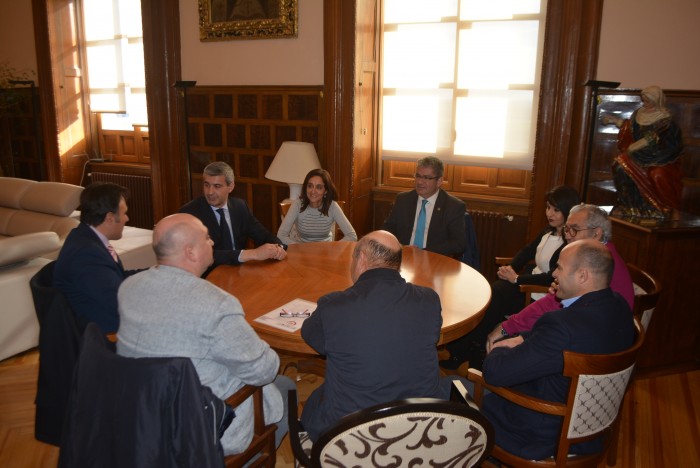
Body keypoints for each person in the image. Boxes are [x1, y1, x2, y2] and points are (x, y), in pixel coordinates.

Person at [116, 213, 296, 456]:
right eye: (207, 238)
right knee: (285, 388)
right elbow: (264, 370)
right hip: (201, 427)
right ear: (190, 252)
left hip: (143, 414)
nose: (212, 243)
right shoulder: (216, 304)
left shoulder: (129, 288)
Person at [478, 240, 635, 460]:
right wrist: (523, 338)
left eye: (560, 267)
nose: (553, 274)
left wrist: (499, 347)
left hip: (544, 432)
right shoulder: (620, 306)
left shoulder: (562, 326)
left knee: (453, 390)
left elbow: (494, 372)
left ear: (582, 276)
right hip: (592, 428)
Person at [299, 230, 464, 441]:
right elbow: (427, 334)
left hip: (353, 436)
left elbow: (313, 337)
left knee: (315, 400)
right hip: (422, 431)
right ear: (396, 264)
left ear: (362, 259)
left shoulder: (334, 305)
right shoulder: (429, 300)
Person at [441, 185, 581, 370]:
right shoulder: (548, 231)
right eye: (548, 207)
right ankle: (468, 348)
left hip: (536, 292)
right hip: (525, 282)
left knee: (494, 298)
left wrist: (517, 279)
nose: (550, 213)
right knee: (489, 295)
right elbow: (527, 251)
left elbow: (550, 278)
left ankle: (467, 350)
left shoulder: (569, 242)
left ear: (568, 210)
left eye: (556, 210)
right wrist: (510, 268)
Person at [486, 204, 635, 351]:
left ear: (596, 234)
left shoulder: (594, 265)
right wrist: (510, 326)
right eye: (566, 229)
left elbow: (554, 307)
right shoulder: (598, 255)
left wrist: (510, 329)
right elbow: (553, 302)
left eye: (574, 230)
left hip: (588, 349)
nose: (568, 236)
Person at [54, 182, 143, 333]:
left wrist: (157, 272)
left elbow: (118, 277)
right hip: (104, 333)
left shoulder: (87, 238)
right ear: (109, 218)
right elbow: (118, 302)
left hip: (105, 317)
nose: (127, 218)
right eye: (124, 213)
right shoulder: (85, 254)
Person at [179, 161, 287, 274]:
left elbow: (263, 235)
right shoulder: (189, 213)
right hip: (208, 277)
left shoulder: (240, 207)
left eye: (217, 186)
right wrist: (251, 254)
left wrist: (278, 248)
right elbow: (201, 254)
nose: (210, 192)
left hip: (240, 273)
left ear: (230, 187)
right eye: (206, 185)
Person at [603, 85, 683, 218]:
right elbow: (629, 128)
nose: (645, 103)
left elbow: (665, 142)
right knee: (619, 165)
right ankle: (630, 206)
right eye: (644, 100)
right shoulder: (639, 114)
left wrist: (639, 146)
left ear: (656, 100)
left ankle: (661, 208)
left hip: (659, 158)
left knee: (657, 174)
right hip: (637, 156)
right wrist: (615, 120)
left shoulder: (665, 120)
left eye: (648, 101)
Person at [382, 156, 466, 258]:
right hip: (403, 256)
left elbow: (458, 243)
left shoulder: (453, 206)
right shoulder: (403, 199)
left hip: (434, 259)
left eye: (426, 177)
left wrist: (423, 252)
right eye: (418, 176)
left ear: (439, 181)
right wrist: (400, 247)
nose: (420, 182)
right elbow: (387, 229)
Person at [277, 168, 357, 244]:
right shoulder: (297, 204)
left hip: (326, 252)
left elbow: (352, 236)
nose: (313, 191)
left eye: (319, 187)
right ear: (306, 188)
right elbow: (281, 235)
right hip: (302, 252)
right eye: (310, 186)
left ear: (325, 191)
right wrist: (298, 248)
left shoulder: (332, 206)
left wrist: (333, 248)